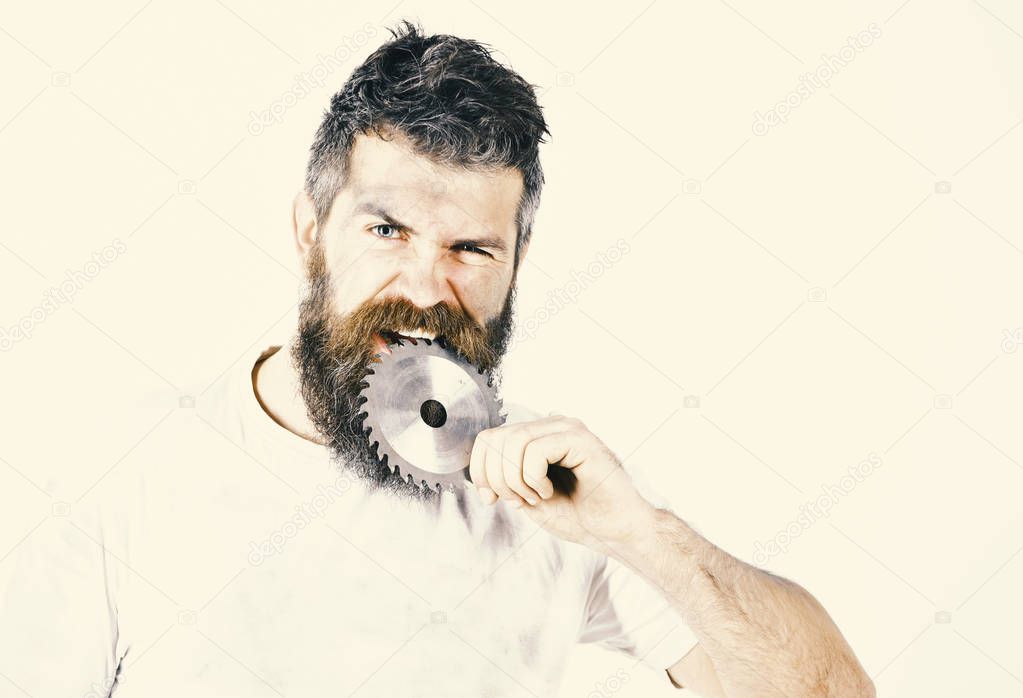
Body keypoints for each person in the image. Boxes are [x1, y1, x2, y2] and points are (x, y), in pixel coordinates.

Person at [0, 20, 874, 697]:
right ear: (312, 233)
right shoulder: (120, 474)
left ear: (514, 269)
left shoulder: (550, 491)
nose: (425, 287)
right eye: (387, 230)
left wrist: (639, 534)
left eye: (470, 248)